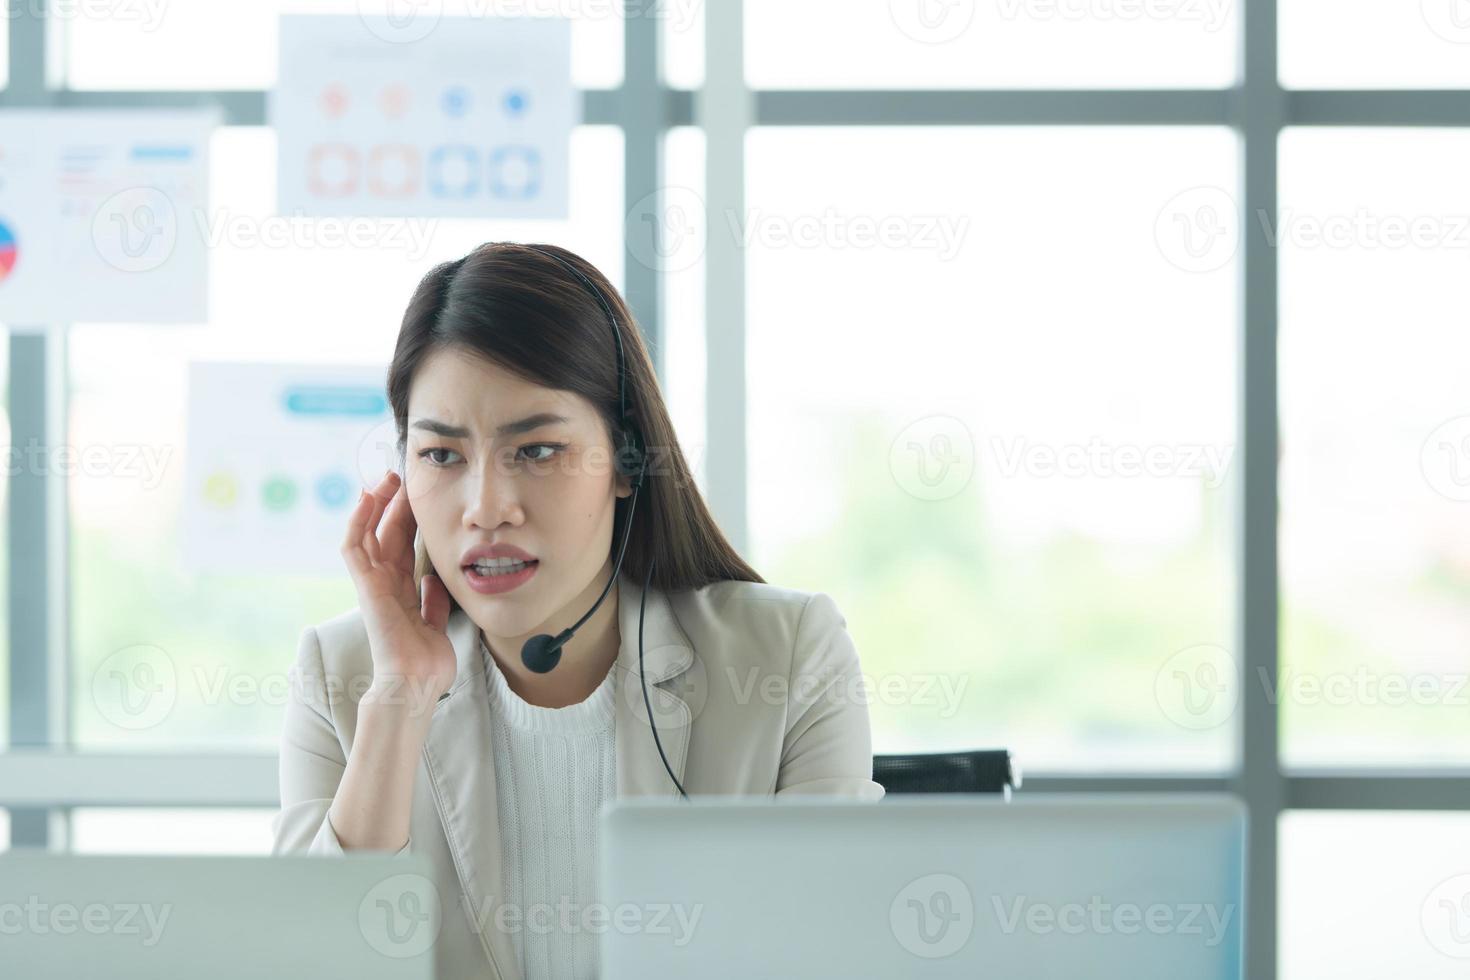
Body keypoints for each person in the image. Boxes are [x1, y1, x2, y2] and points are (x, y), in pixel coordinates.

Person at [270, 241, 883, 980]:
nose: (486, 508)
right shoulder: (344, 679)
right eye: (441, 456)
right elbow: (314, 961)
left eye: (536, 451)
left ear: (627, 462)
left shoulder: (786, 656)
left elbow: (828, 955)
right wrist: (400, 698)